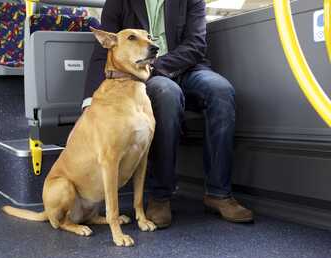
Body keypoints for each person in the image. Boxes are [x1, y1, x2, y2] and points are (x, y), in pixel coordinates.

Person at [83, 0, 253, 228]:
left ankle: (218, 193)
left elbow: (195, 44)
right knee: (166, 93)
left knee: (221, 91)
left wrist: (155, 66)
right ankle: (160, 195)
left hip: (187, 67)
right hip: (146, 75)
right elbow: (101, 51)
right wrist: (89, 101)